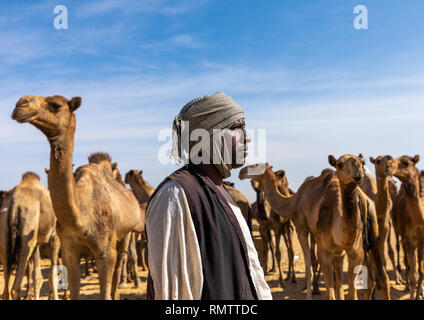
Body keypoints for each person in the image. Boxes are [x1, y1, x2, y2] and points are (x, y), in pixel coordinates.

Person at [146, 92, 272, 300]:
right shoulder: (176, 195)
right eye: (236, 127)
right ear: (210, 136)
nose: (247, 136)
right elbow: (173, 294)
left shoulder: (221, 192)